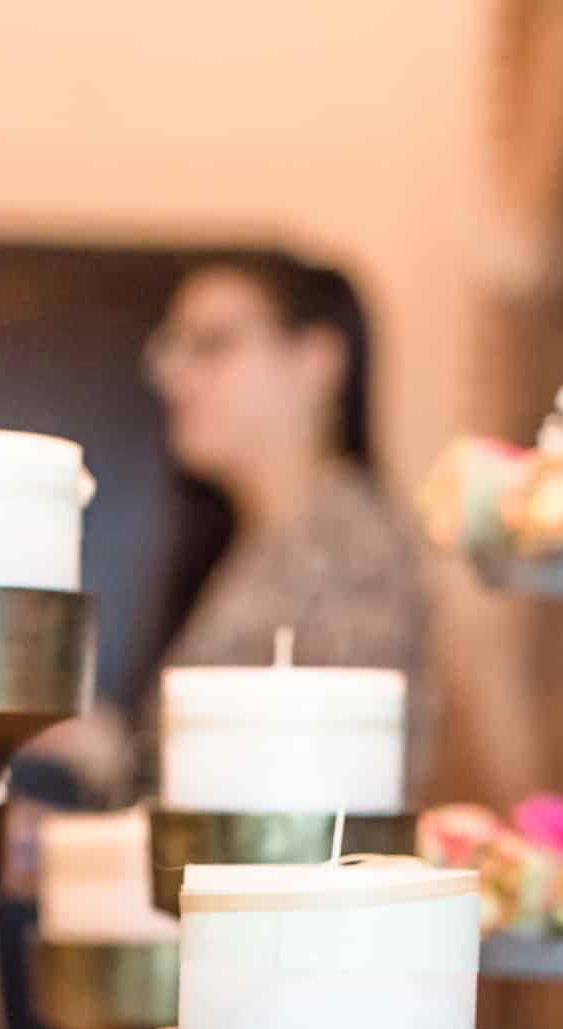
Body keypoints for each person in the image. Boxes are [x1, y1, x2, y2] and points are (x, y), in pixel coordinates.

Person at [126, 250, 431, 797]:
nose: (173, 374)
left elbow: (322, 789)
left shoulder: (352, 549)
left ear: (318, 361)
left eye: (212, 344)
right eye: (172, 347)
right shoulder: (251, 540)